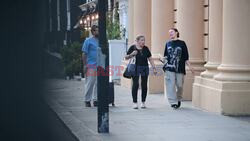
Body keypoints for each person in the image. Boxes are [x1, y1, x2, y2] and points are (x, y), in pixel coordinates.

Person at [161, 28, 194, 109]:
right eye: (169, 33)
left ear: (176, 32)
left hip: (180, 68)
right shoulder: (167, 43)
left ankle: (178, 98)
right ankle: (173, 102)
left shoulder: (182, 43)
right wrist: (163, 60)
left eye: (171, 32)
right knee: (170, 85)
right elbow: (165, 56)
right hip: (169, 68)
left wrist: (190, 67)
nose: (170, 34)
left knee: (179, 85)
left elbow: (186, 57)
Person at [125, 35, 157, 109]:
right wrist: (132, 54)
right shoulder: (132, 48)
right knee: (135, 84)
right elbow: (126, 57)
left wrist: (154, 68)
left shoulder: (146, 48)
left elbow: (150, 58)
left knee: (144, 85)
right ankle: (135, 102)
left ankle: (143, 102)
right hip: (135, 68)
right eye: (142, 40)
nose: (143, 42)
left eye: (144, 40)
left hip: (144, 68)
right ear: (137, 41)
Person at [82, 25, 99, 107]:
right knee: (90, 83)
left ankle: (96, 100)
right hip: (91, 65)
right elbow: (84, 53)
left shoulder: (101, 40)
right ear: (92, 32)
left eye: (98, 30)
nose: (97, 32)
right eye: (96, 30)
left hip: (100, 65)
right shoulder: (88, 41)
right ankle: (87, 100)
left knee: (98, 83)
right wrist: (85, 65)